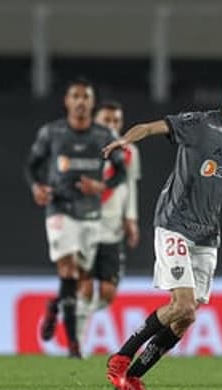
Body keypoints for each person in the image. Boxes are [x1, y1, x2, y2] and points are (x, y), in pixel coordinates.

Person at [102, 68, 222, 390]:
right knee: (183, 305)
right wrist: (122, 141)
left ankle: (133, 376)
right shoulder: (200, 124)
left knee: (186, 318)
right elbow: (149, 127)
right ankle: (121, 357)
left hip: (207, 236)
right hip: (174, 223)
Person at [25, 78, 127, 358]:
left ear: (91, 103)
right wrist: (37, 187)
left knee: (81, 278)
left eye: (86, 96)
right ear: (67, 101)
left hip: (91, 215)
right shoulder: (52, 133)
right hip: (60, 210)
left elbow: (122, 172)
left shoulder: (103, 135)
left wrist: (102, 187)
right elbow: (32, 166)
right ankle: (73, 344)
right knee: (68, 270)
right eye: (76, 96)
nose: (81, 101)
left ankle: (55, 306)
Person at [75, 101, 142, 349]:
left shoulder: (129, 152)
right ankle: (78, 342)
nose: (112, 126)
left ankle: (79, 314)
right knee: (84, 283)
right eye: (107, 121)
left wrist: (131, 219)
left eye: (116, 121)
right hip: (85, 225)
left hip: (112, 227)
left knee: (107, 293)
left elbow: (130, 185)